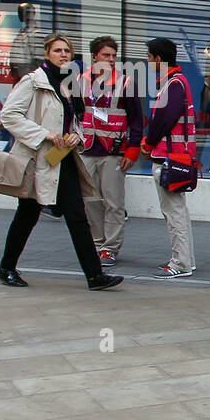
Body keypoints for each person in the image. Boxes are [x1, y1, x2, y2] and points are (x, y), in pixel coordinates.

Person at [0, 33, 123, 291]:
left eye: (67, 51)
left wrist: (76, 134)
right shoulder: (33, 82)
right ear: (46, 54)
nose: (63, 55)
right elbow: (9, 116)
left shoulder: (70, 83)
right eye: (57, 51)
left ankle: (94, 276)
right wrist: (45, 134)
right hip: (37, 159)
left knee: (77, 214)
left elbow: (75, 118)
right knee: (27, 214)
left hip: (61, 156)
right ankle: (6, 267)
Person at [80, 36, 144, 268]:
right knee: (90, 201)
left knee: (114, 202)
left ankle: (110, 248)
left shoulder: (125, 83)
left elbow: (137, 120)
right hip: (86, 149)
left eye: (114, 56)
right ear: (95, 56)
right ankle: (97, 243)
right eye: (106, 55)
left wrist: (132, 150)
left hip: (113, 151)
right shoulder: (80, 81)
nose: (110, 60)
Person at [140, 38, 197, 279]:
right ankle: (186, 260)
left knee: (173, 212)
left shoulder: (173, 84)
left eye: (149, 57)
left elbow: (163, 120)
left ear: (158, 59)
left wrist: (148, 142)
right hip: (177, 157)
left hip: (168, 158)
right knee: (179, 211)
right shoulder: (176, 83)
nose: (147, 61)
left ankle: (180, 263)